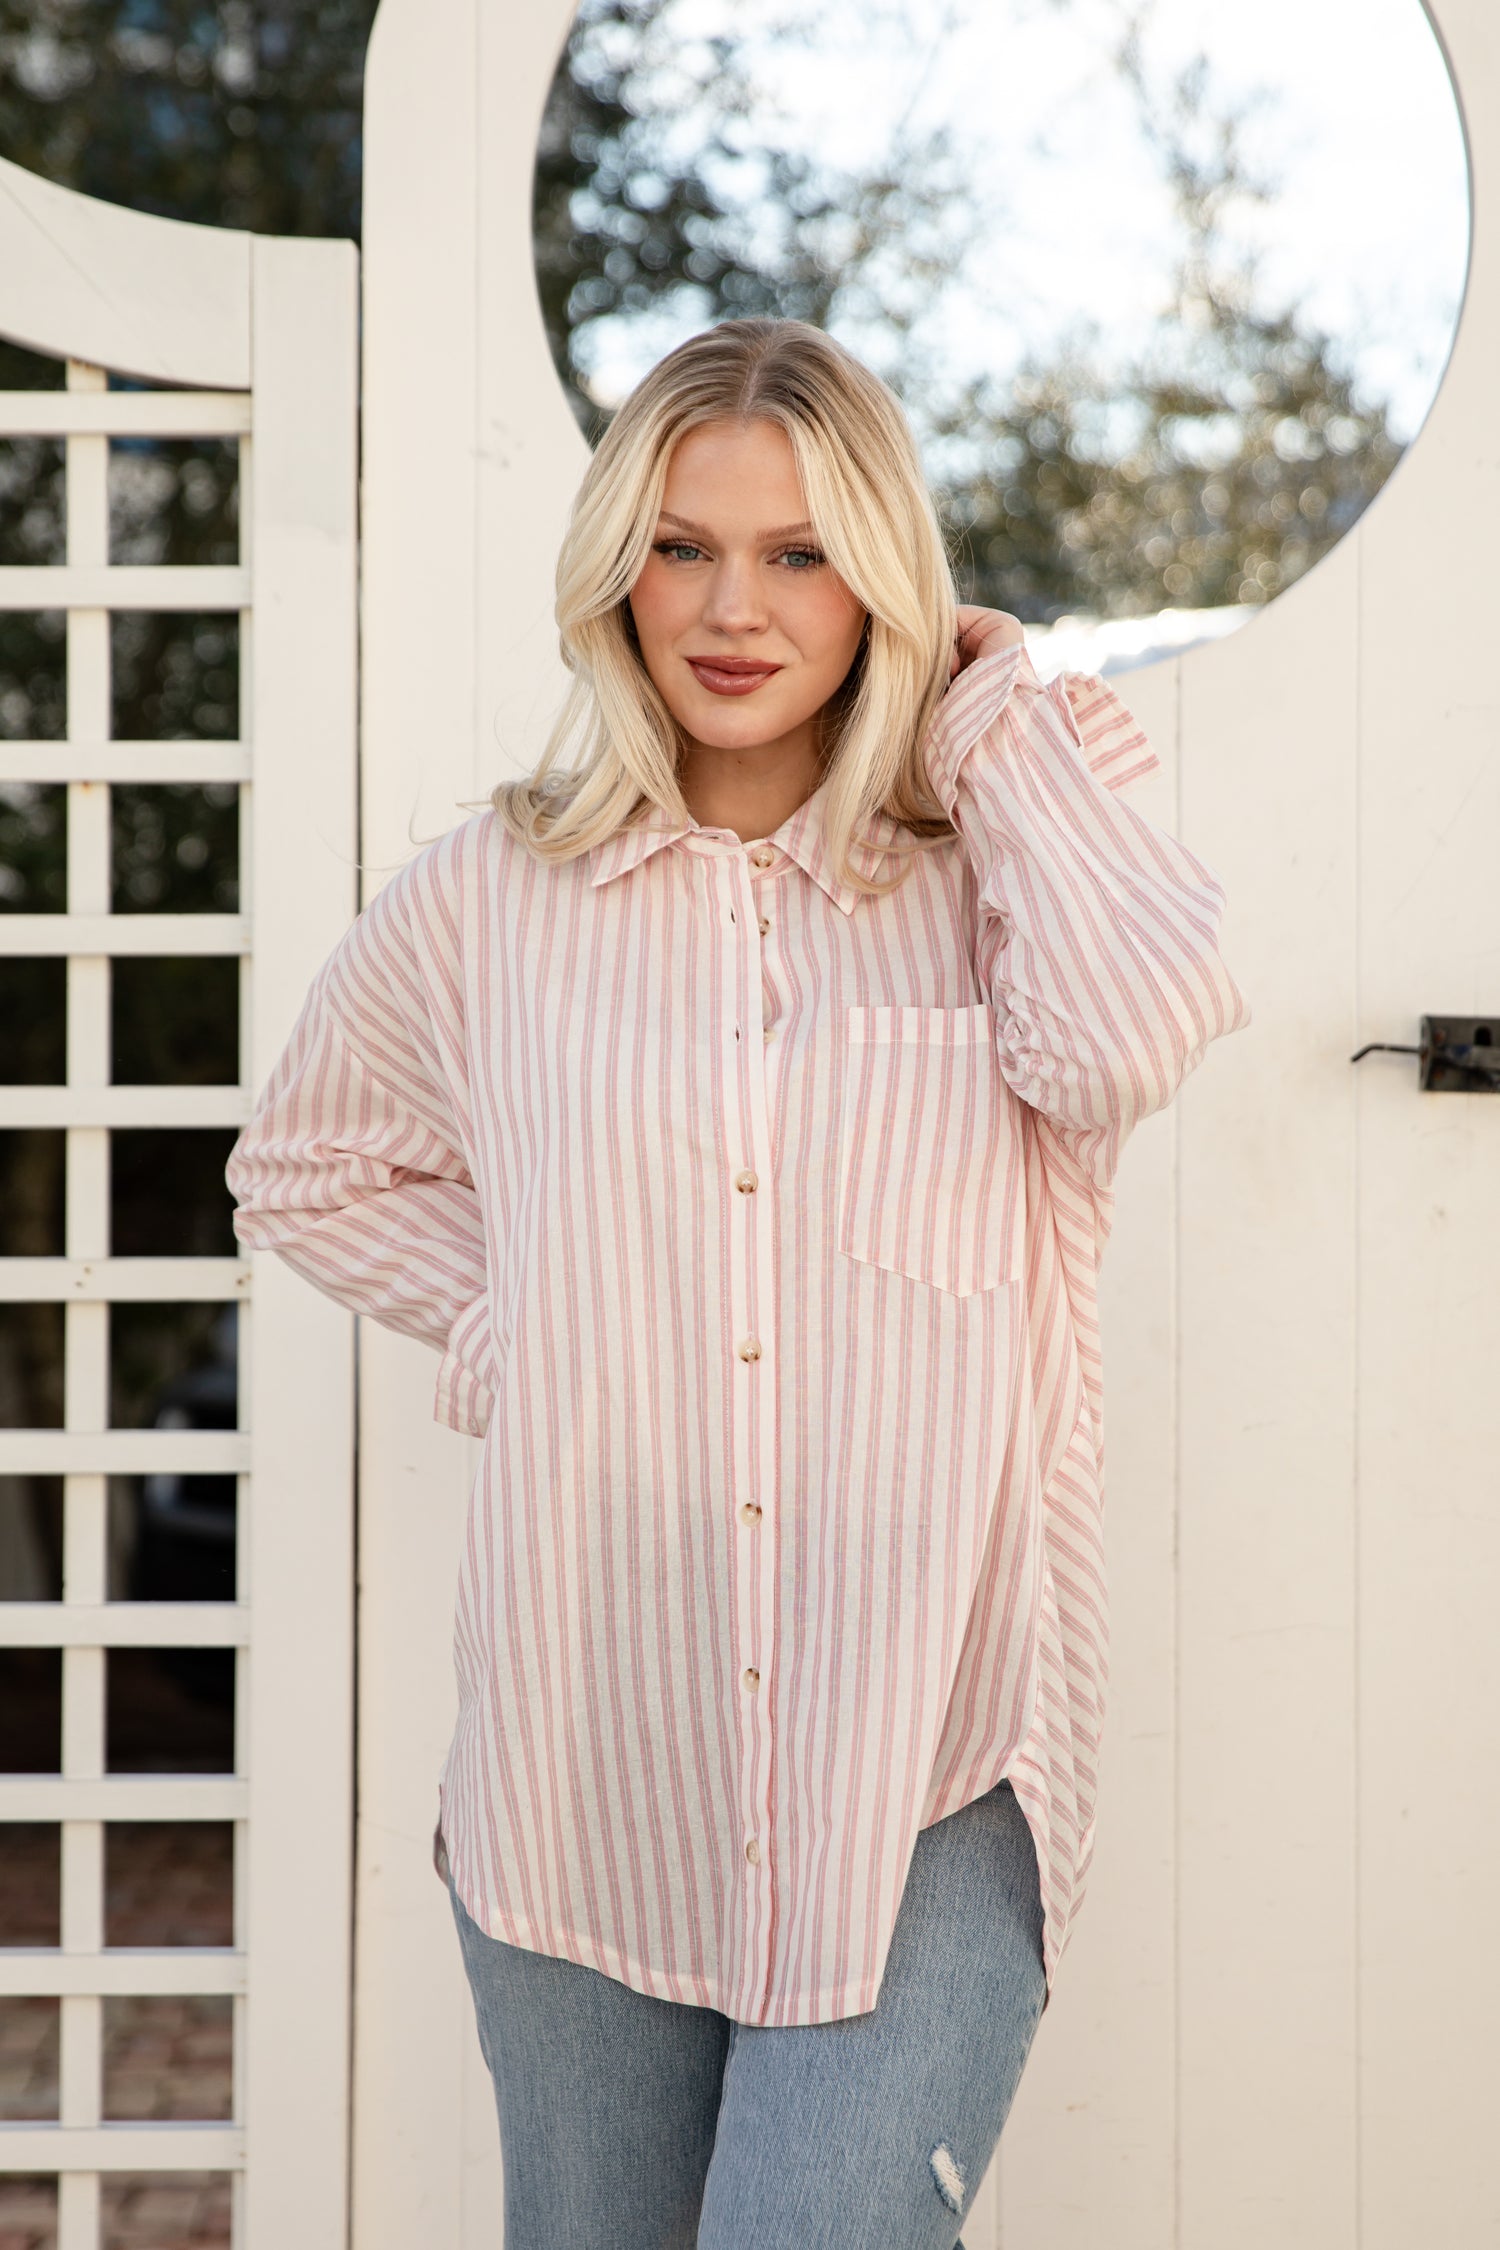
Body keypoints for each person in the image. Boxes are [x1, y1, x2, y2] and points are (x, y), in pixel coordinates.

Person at [227, 316, 1250, 2247]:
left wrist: (994, 707)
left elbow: (1124, 1041)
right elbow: (306, 1163)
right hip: (590, 1741)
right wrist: (510, 1306)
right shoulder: (492, 894)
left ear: (887, 577)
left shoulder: (1004, 854)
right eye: (684, 544)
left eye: (800, 553)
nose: (732, 607)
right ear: (619, 560)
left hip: (932, 1744)